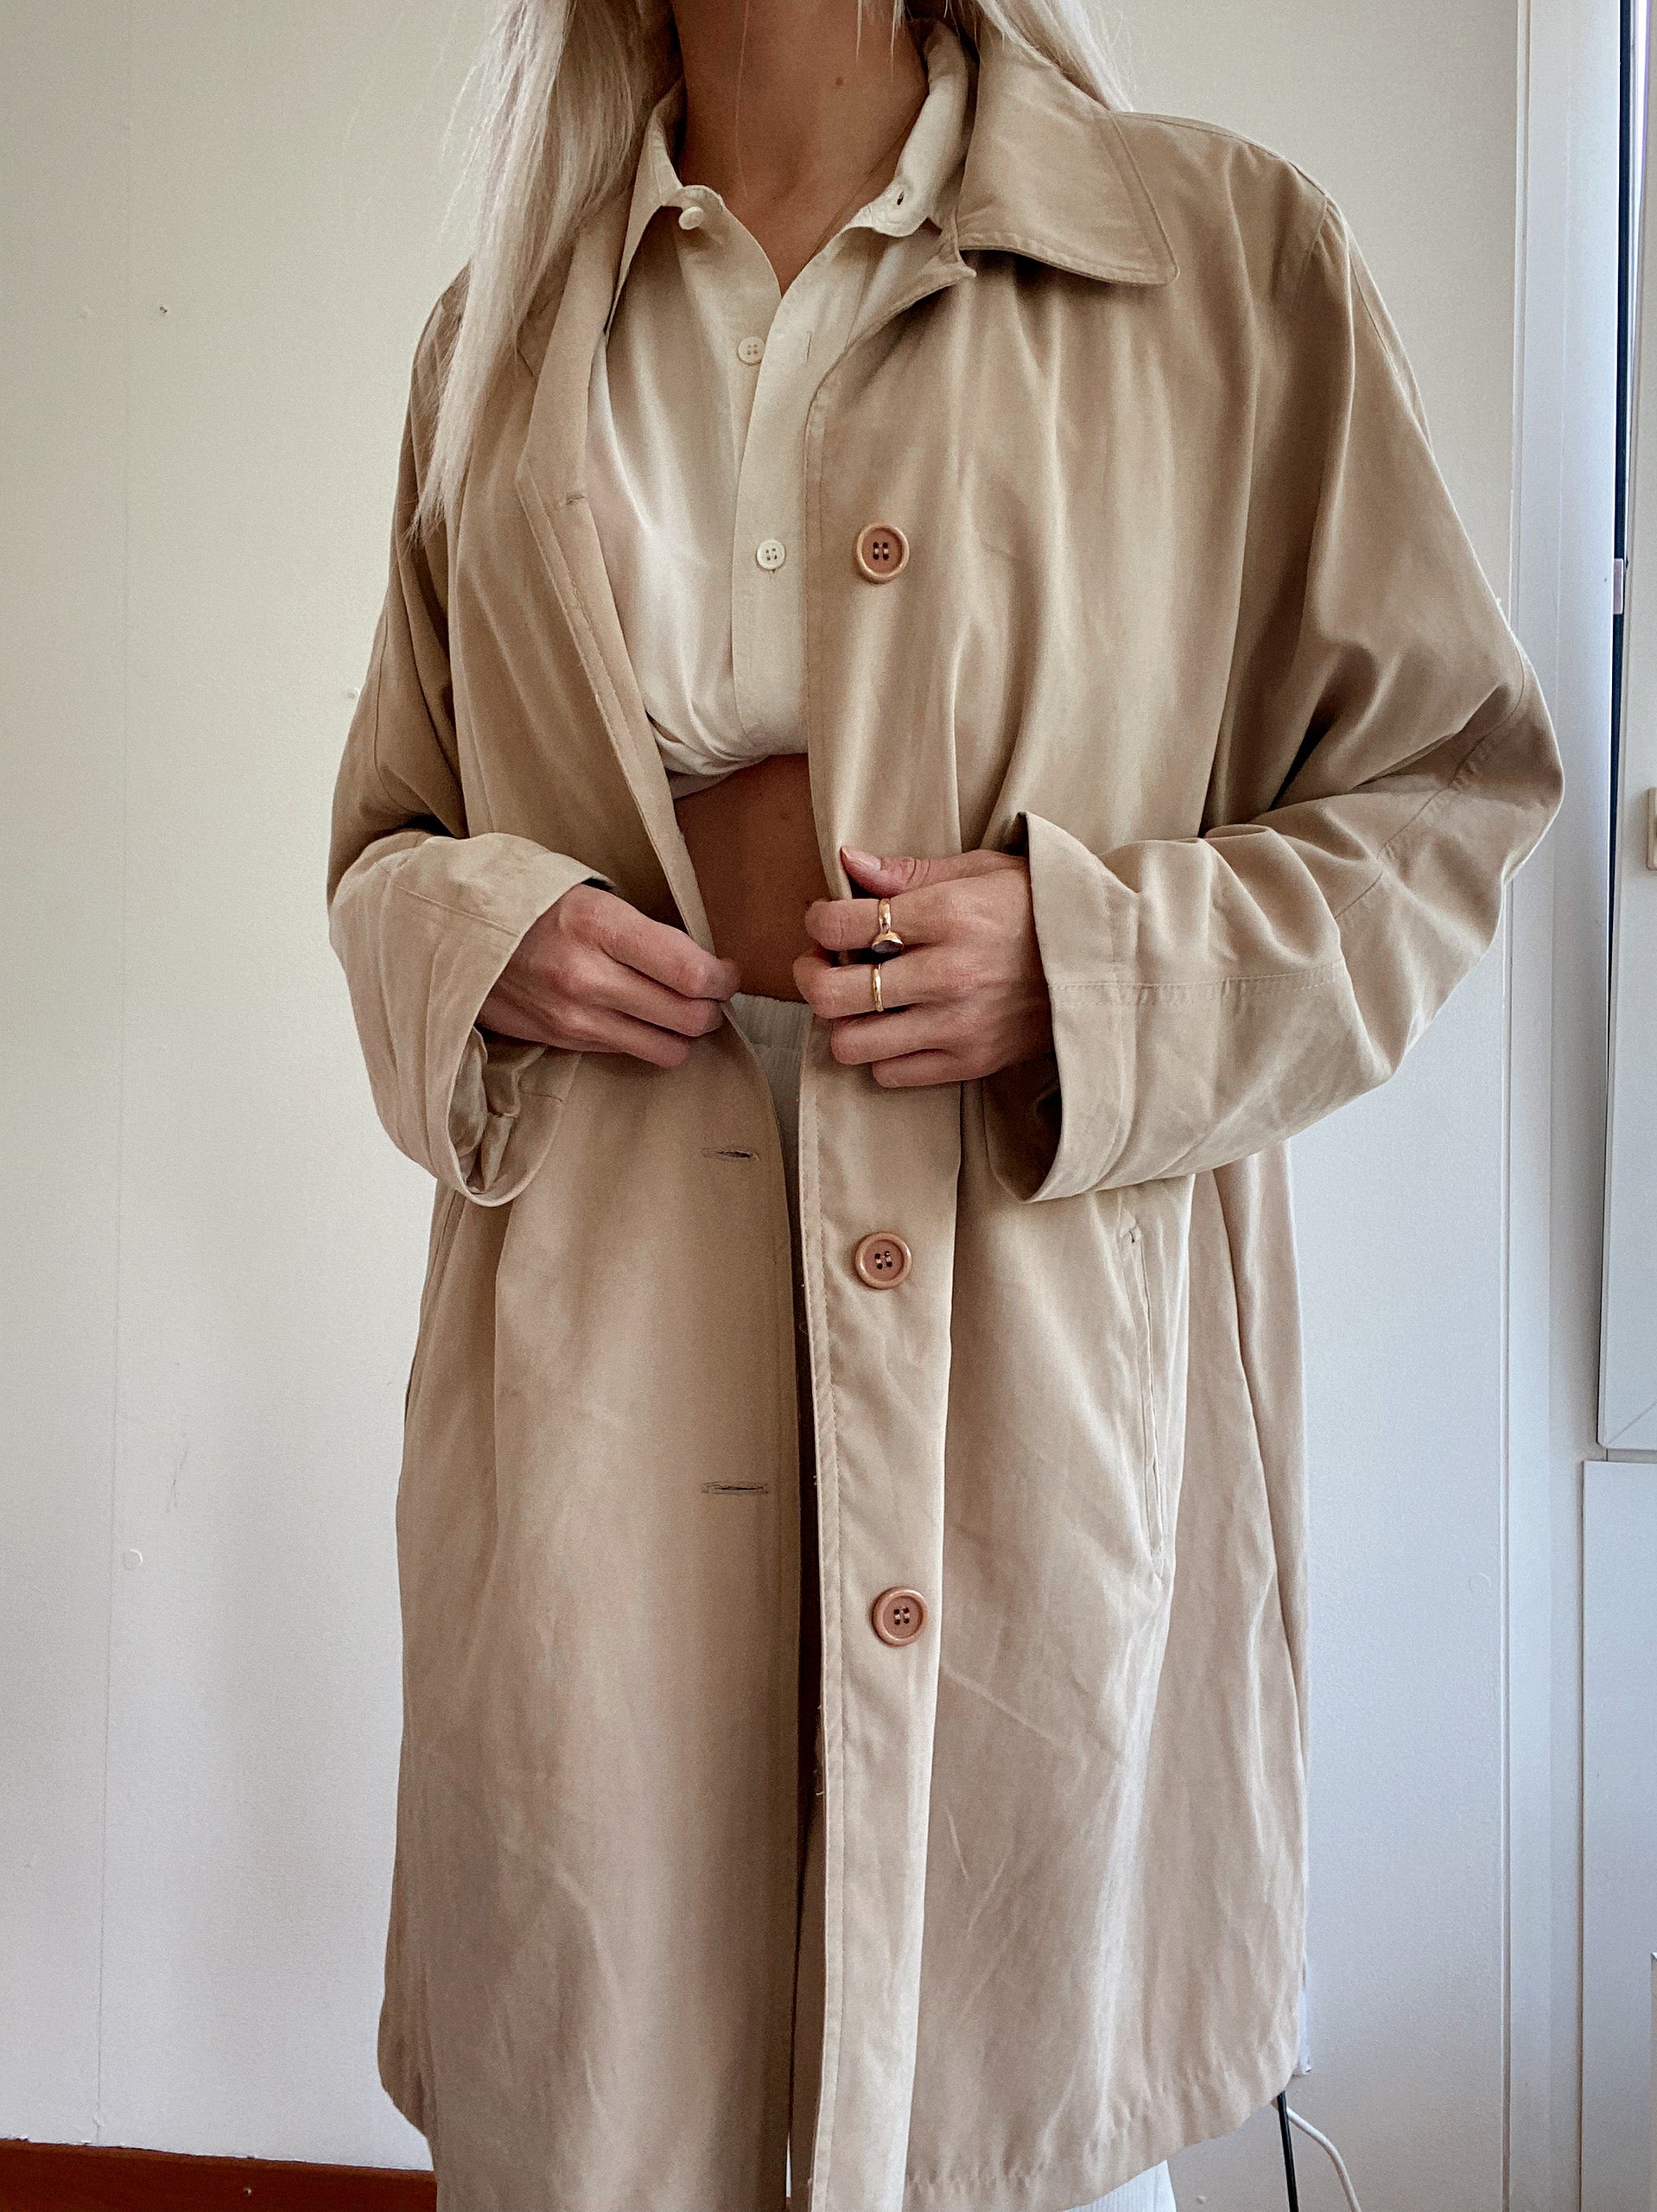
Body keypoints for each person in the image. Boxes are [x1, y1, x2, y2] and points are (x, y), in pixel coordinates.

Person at [325, 3, 1565, 2208]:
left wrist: (1089, 959)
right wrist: (474, 929)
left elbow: (1442, 793)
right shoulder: (499, 327)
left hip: (1027, 1300)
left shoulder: (1213, 258)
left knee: (1001, 2090)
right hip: (609, 1318)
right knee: (621, 2059)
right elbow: (386, 837)